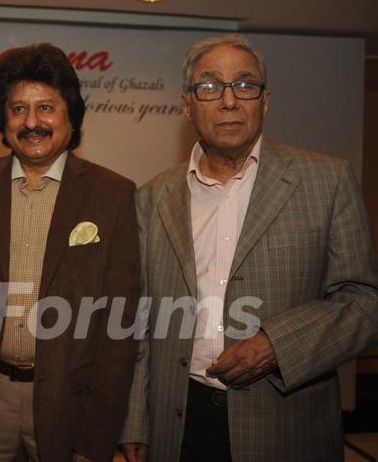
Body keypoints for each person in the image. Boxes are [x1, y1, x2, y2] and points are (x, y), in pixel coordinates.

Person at [120, 33, 378, 462]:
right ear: (187, 105)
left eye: (244, 85)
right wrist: (134, 421)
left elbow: (365, 302)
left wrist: (276, 343)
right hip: (177, 423)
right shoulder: (150, 198)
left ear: (265, 101)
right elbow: (139, 320)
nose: (228, 100)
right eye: (209, 86)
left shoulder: (326, 180)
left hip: (286, 423)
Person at [0, 43, 145, 462]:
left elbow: (119, 328)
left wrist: (98, 434)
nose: (32, 122)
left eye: (46, 107)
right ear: (2, 120)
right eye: (18, 109)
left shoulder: (112, 194)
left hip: (71, 404)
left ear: (70, 115)